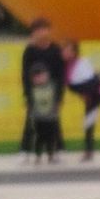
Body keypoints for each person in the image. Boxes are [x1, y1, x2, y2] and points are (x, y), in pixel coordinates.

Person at [62, 41, 100, 162]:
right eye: (64, 49)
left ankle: (88, 151)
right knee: (89, 122)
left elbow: (97, 66)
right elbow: (73, 85)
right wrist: (82, 95)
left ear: (74, 52)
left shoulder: (82, 62)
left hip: (96, 91)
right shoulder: (64, 66)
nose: (64, 52)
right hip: (91, 94)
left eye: (67, 50)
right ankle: (88, 151)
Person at [20, 18, 66, 161]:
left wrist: (59, 97)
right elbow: (25, 75)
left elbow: (61, 75)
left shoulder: (55, 50)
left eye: (44, 29)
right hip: (35, 92)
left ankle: (56, 150)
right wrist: (27, 95)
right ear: (33, 33)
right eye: (37, 30)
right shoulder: (30, 51)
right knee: (31, 122)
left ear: (49, 31)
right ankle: (25, 151)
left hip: (51, 92)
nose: (41, 33)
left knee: (53, 122)